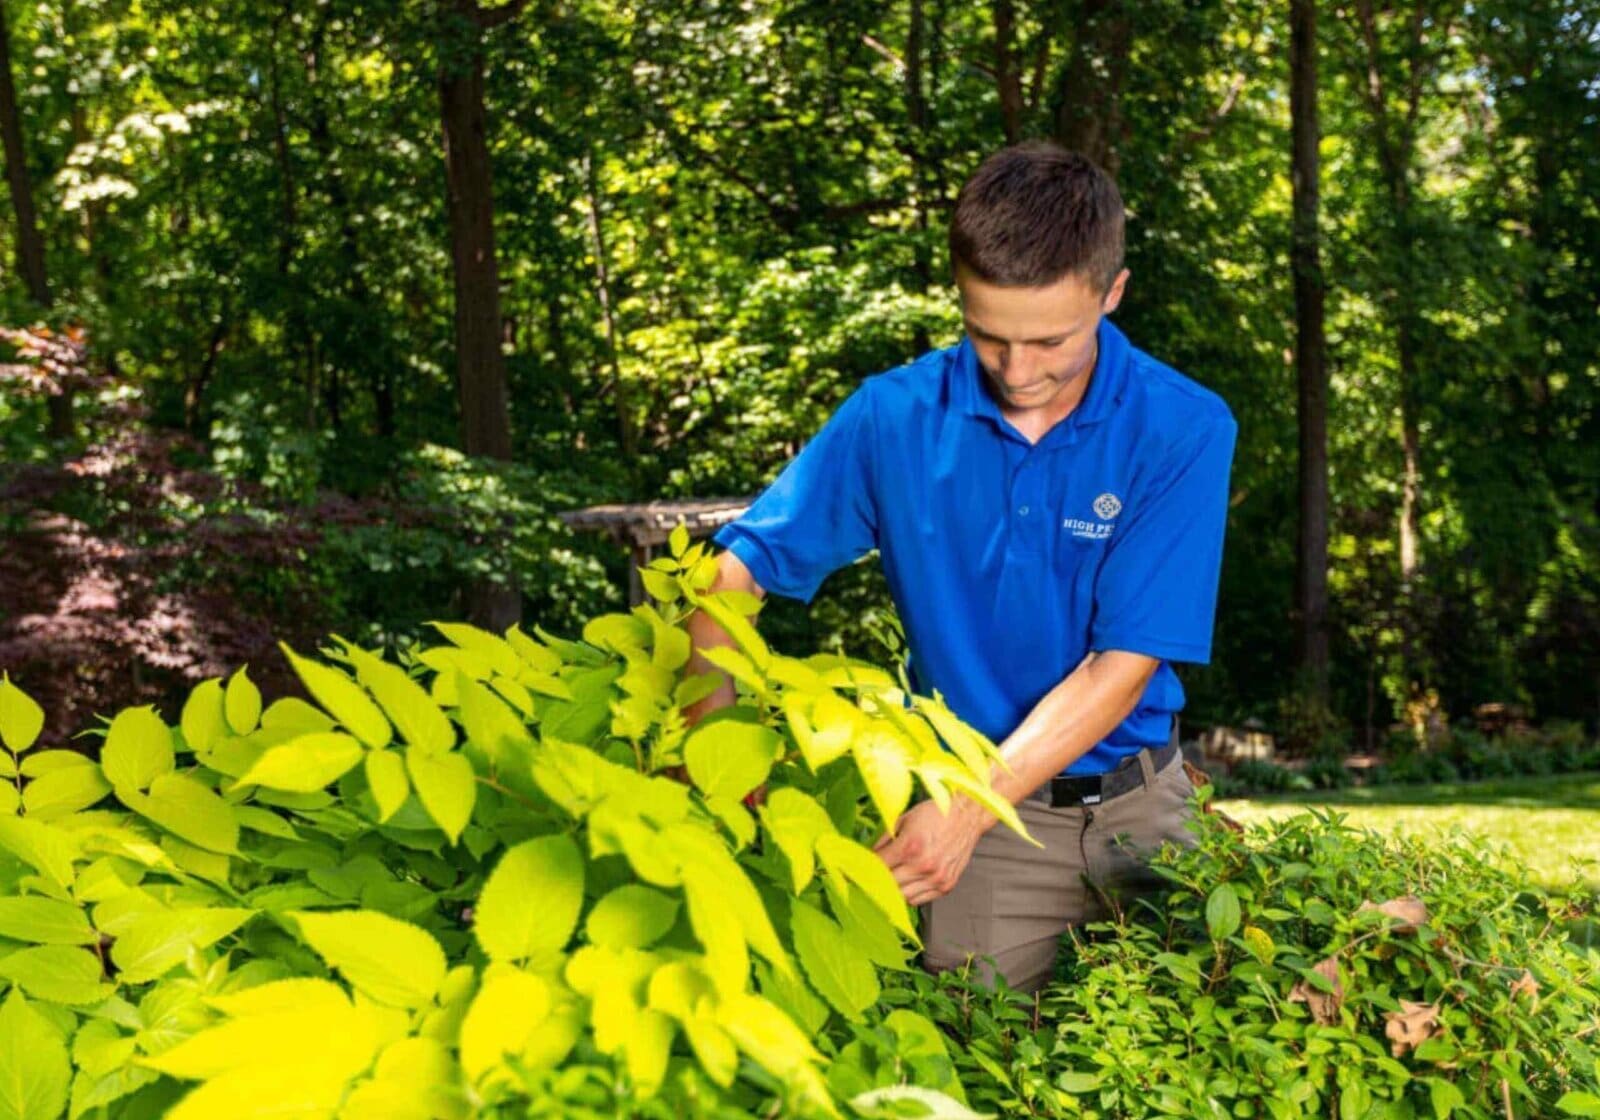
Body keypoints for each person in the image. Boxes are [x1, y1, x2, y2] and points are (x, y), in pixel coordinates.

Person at [684, 141, 1238, 995]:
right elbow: (734, 573)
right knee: (978, 1064)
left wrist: (965, 807)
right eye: (988, 337)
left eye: (1050, 340)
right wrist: (715, 761)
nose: (1018, 373)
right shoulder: (892, 419)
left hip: (1144, 814)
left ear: (1113, 293)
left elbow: (1122, 668)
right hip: (973, 845)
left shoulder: (1184, 427)